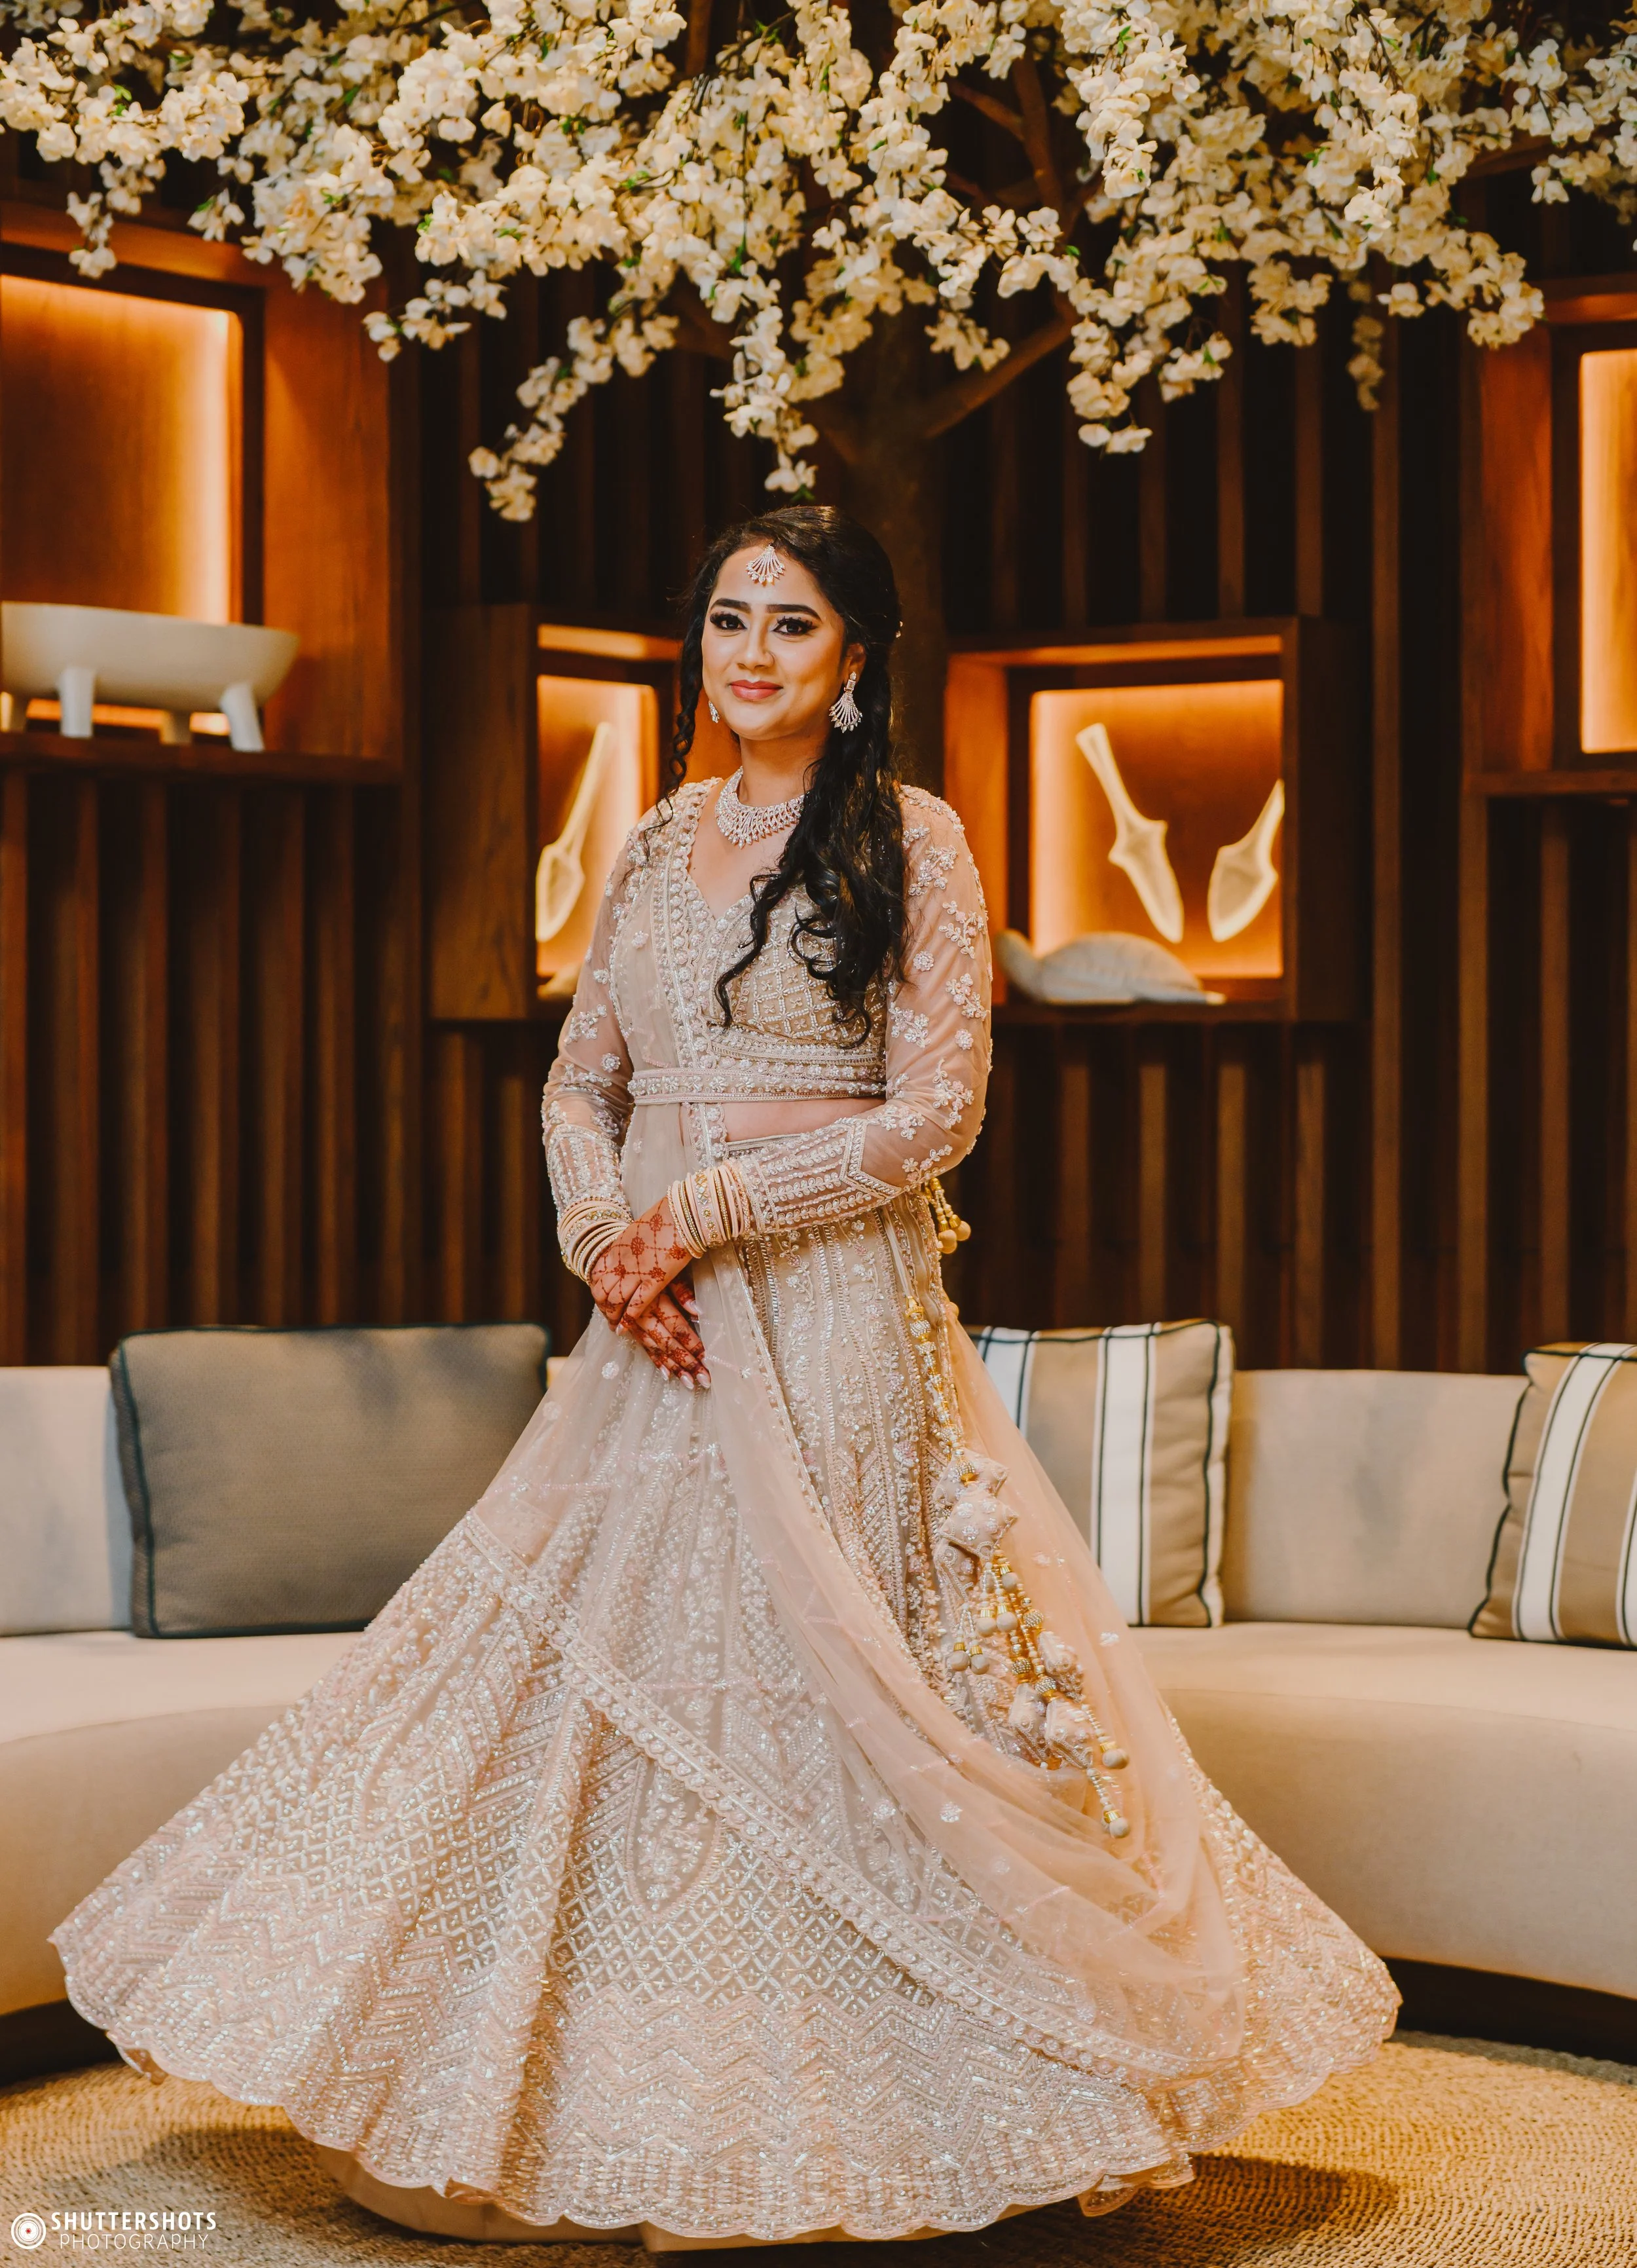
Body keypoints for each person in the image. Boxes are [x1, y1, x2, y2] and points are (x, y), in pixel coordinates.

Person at [50, 506, 1397, 2248]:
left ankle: (905, 2112)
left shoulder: (911, 838)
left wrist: (708, 1207)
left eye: (792, 625)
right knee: (594, 1671)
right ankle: (594, 2105)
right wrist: (605, 1236)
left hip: (830, 1308)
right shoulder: (654, 839)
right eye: (727, 620)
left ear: (855, 665)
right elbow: (573, 1083)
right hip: (650, 1330)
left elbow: (934, 1115)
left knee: (820, 1666)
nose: (750, 652)